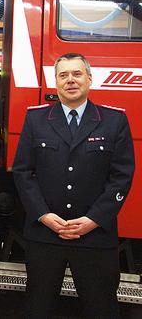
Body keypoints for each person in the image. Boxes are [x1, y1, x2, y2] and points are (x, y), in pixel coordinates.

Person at [13, 53, 134, 319]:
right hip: (45, 235)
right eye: (63, 75)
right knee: (38, 308)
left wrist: (93, 219)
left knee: (101, 308)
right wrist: (44, 216)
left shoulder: (114, 121)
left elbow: (122, 176)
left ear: (89, 79)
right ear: (55, 82)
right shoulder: (36, 120)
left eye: (77, 74)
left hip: (95, 236)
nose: (70, 80)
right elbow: (23, 172)